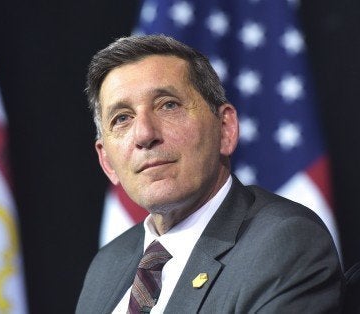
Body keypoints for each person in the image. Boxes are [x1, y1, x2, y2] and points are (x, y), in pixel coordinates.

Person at [76, 34, 344, 313]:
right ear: (107, 162)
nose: (144, 134)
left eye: (168, 105)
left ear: (225, 129)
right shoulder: (107, 265)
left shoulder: (283, 244)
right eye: (122, 118)